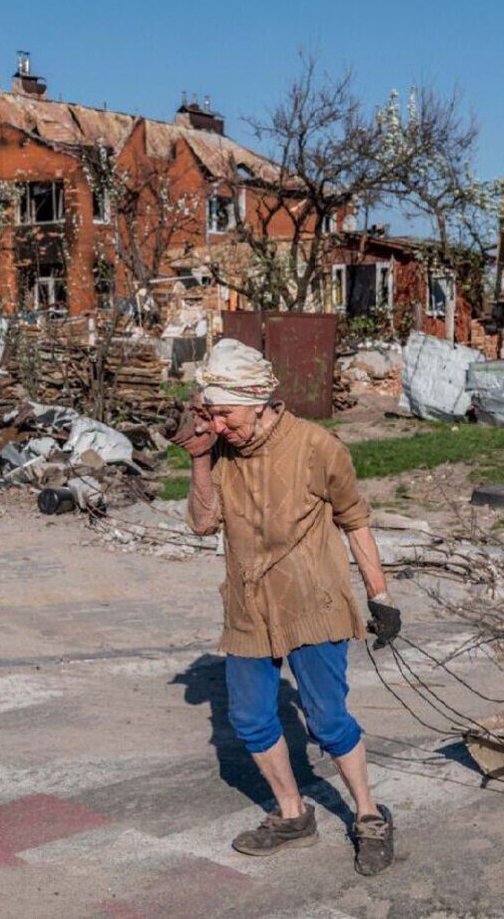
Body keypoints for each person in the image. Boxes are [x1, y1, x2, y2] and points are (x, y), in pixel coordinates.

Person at [171, 338, 402, 877]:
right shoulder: (222, 451)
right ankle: (294, 815)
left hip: (312, 604)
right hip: (249, 609)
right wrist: (201, 459)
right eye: (212, 414)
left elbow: (355, 519)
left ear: (256, 401)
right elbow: (203, 523)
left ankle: (369, 815)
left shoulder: (318, 446)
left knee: (327, 720)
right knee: (249, 720)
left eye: (224, 415)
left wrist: (379, 595)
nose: (218, 424)